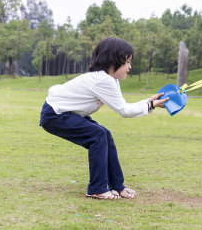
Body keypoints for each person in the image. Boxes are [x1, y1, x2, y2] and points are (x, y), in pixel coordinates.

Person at [39, 37, 169, 200]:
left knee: (104, 134)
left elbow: (123, 105)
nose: (130, 67)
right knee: (97, 136)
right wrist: (152, 105)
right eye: (127, 62)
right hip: (55, 114)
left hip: (65, 112)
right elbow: (124, 111)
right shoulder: (103, 80)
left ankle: (117, 186)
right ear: (113, 61)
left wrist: (149, 102)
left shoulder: (110, 80)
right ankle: (97, 188)